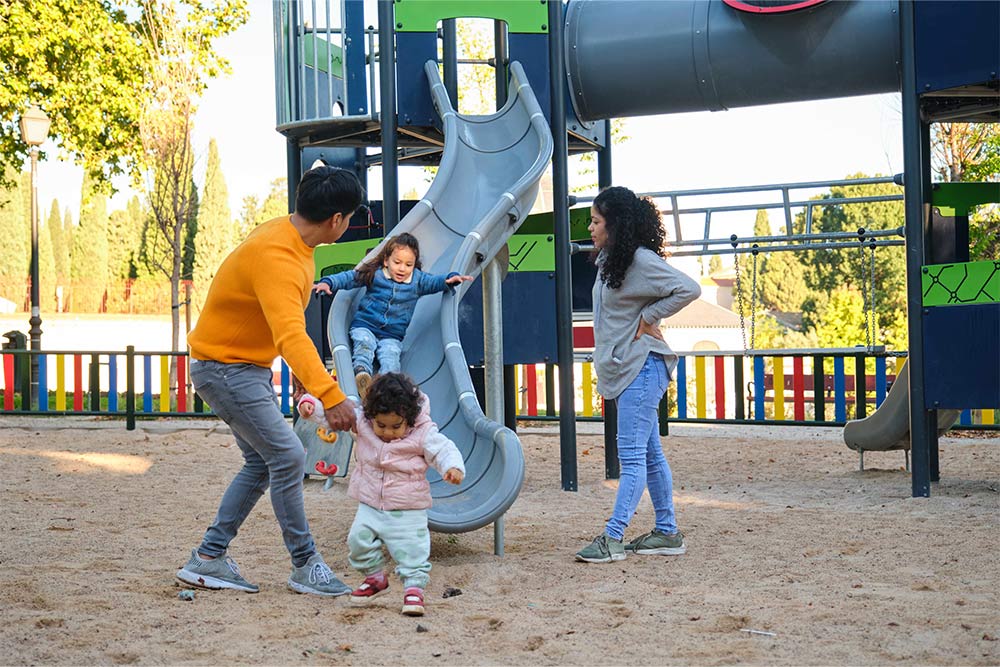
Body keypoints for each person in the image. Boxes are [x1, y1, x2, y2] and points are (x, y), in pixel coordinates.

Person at [176, 166, 365, 596]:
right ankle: (305, 564)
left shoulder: (291, 237)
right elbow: (290, 335)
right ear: (337, 219)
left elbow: (280, 324)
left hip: (239, 367)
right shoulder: (279, 257)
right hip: (226, 369)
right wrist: (332, 396)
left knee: (263, 461)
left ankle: (208, 557)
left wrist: (302, 375)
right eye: (350, 216)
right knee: (288, 456)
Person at [575, 186, 701, 564]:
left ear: (614, 225)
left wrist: (648, 318)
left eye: (596, 221)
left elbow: (688, 288)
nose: (590, 227)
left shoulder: (640, 260)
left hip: (642, 367)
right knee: (649, 454)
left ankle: (613, 538)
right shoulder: (613, 260)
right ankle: (666, 531)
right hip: (629, 366)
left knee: (631, 457)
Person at [345, 373, 465, 616]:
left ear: (409, 419)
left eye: (395, 426)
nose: (387, 432)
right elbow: (339, 417)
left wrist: (452, 467)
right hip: (370, 503)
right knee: (357, 541)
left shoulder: (422, 433)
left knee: (412, 550)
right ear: (371, 417)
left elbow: (442, 449)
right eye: (381, 425)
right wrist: (311, 408)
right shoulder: (364, 424)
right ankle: (375, 578)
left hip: (407, 505)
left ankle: (413, 590)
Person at [313, 232, 471, 397]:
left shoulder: (418, 281)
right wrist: (328, 282)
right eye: (397, 262)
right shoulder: (375, 274)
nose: (402, 268)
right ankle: (362, 373)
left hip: (391, 335)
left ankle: (386, 388)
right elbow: (350, 278)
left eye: (409, 265)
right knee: (364, 343)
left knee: (391, 358)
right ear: (386, 260)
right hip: (366, 325)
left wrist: (450, 279)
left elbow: (435, 282)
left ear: (414, 265)